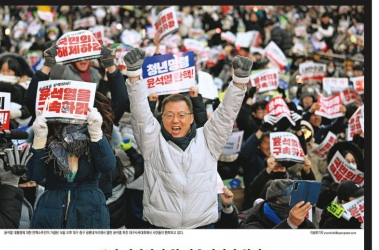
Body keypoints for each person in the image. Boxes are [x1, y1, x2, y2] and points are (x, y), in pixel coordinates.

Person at [123, 48, 253, 229]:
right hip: (161, 228)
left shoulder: (208, 140)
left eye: (181, 114)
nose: (175, 119)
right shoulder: (152, 142)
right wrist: (135, 76)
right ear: (162, 118)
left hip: (202, 228)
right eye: (169, 115)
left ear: (191, 118)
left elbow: (225, 116)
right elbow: (140, 115)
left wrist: (239, 82)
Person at [25, 91, 117, 229]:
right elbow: (35, 175)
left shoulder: (94, 131)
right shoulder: (48, 134)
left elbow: (107, 166)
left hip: (89, 206)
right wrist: (39, 140)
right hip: (52, 206)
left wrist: (96, 134)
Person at [239, 179, 315, 229]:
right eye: (286, 202)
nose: (291, 205)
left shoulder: (303, 221)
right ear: (272, 201)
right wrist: (290, 224)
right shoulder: (255, 223)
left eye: (295, 201)